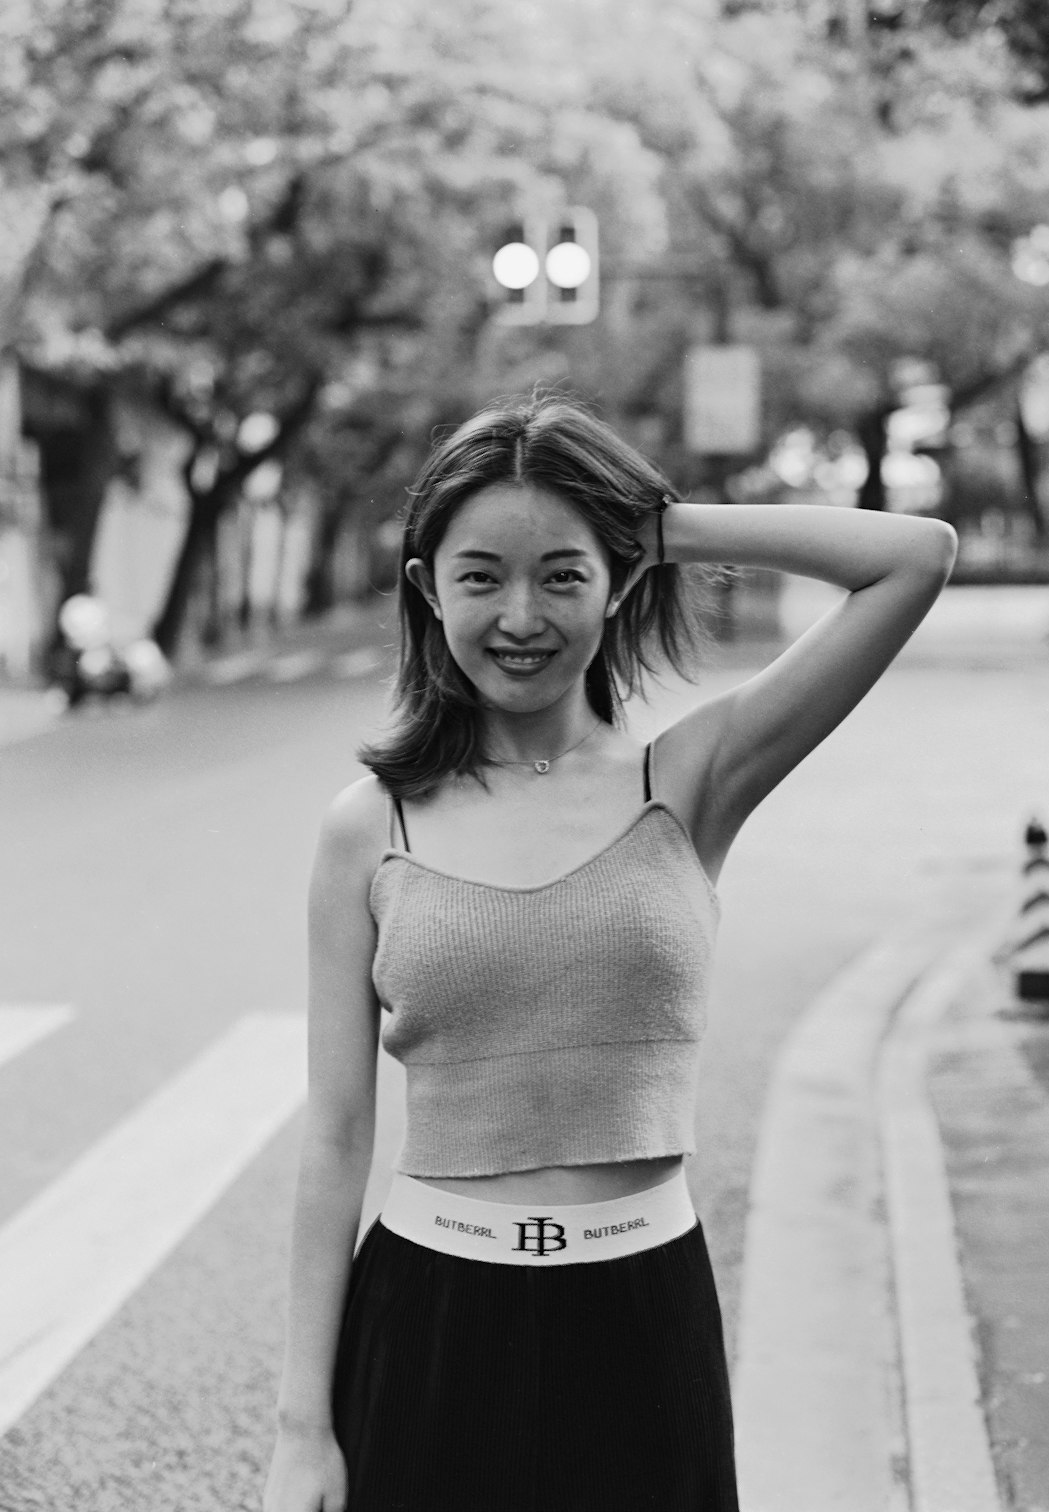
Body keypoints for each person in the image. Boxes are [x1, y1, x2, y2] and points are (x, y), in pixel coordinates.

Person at [263, 393, 957, 1512]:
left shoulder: (689, 782)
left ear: (621, 583)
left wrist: (654, 525)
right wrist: (303, 1427)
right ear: (426, 588)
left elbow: (914, 558)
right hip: (431, 1320)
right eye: (481, 573)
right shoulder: (367, 826)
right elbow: (337, 1135)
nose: (522, 613)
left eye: (563, 574)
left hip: (642, 1319)